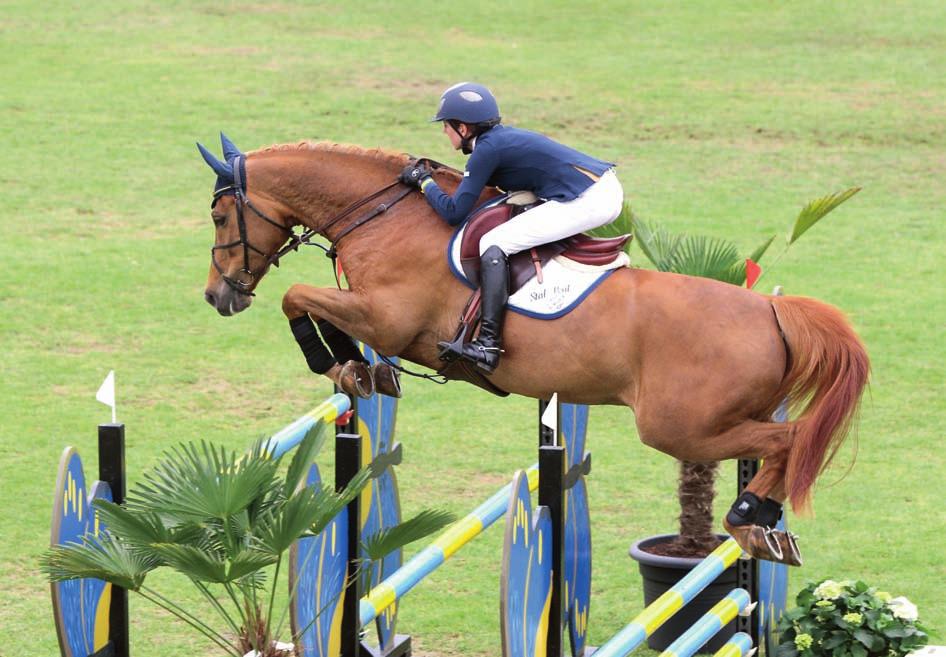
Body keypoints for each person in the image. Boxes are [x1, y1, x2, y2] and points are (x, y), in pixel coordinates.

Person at [400, 82, 624, 374]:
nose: (444, 131)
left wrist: (424, 182)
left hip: (591, 199)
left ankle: (488, 345)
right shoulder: (496, 141)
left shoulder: (487, 150)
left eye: (447, 125)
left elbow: (453, 213)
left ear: (464, 128)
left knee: (494, 243)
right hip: (597, 188)